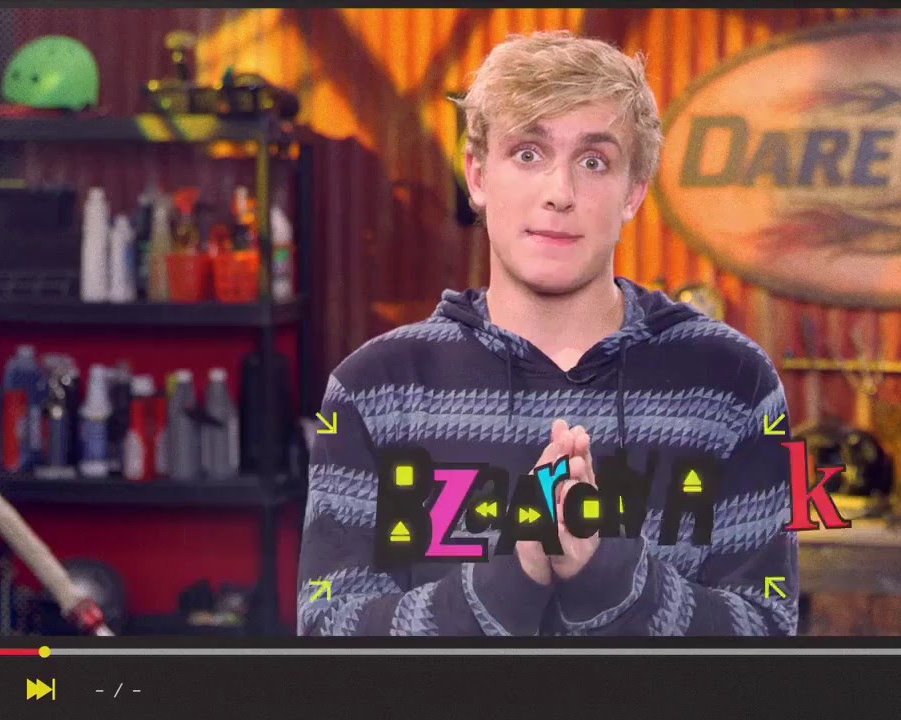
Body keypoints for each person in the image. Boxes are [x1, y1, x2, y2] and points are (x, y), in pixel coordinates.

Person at [298, 30, 798, 636]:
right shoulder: (372, 388)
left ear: (633, 192)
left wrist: (613, 575)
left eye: (594, 161)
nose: (560, 194)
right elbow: (329, 633)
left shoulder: (733, 383)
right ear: (478, 175)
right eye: (528, 154)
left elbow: (768, 635)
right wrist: (507, 583)